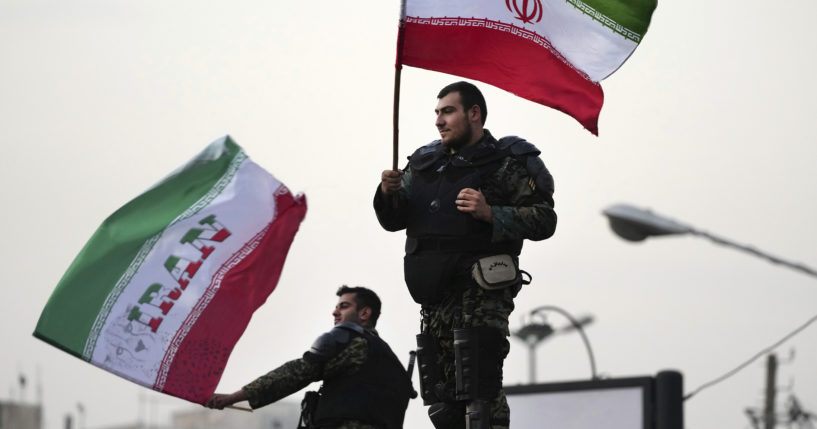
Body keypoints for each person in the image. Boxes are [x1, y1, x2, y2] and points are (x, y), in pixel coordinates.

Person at [373, 81, 557, 429]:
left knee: (479, 390)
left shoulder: (506, 162)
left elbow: (545, 220)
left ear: (474, 114)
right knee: (443, 402)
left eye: (448, 111)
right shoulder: (425, 163)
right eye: (437, 113)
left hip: (480, 293)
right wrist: (387, 193)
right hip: (434, 297)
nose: (439, 121)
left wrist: (492, 214)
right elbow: (393, 220)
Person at [205, 286, 412, 429]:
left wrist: (234, 397)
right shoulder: (389, 360)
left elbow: (297, 372)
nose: (335, 312)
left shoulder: (351, 341)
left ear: (364, 313)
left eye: (344, 306)